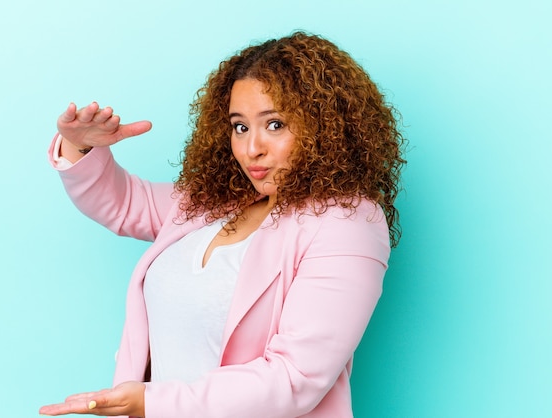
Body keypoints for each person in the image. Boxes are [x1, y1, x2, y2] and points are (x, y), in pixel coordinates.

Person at [39, 31, 406, 418]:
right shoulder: (214, 200)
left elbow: (294, 377)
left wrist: (151, 402)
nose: (252, 149)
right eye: (240, 126)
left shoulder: (348, 222)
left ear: (326, 125)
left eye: (275, 124)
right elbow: (125, 203)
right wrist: (81, 145)